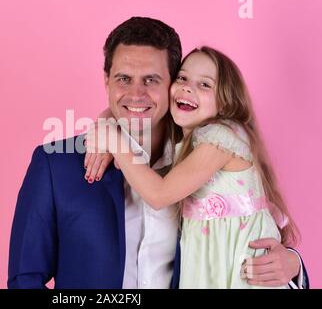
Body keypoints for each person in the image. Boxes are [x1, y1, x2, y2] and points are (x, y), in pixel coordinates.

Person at [8, 17, 309, 288]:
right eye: (123, 79)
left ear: (173, 85)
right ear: (106, 81)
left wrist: (293, 264)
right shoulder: (55, 165)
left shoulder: (201, 164)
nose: (136, 94)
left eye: (151, 80)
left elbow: (249, 230)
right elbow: (25, 278)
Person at [85, 45, 306, 288]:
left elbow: (159, 195)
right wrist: (106, 118)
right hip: (209, 270)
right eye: (182, 78)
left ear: (225, 102)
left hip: (242, 273)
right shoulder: (184, 140)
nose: (188, 87)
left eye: (205, 85)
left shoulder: (222, 136)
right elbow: (131, 106)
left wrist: (113, 139)